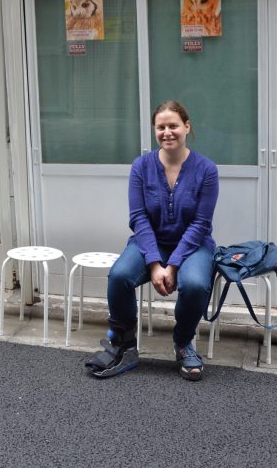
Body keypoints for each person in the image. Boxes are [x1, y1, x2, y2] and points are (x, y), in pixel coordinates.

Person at [85, 100, 218, 380]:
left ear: (187, 127)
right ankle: (123, 346)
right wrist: (156, 263)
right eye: (161, 127)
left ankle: (183, 343)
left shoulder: (206, 170)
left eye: (173, 126)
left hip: (193, 244)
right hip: (150, 242)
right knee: (119, 275)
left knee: (194, 284)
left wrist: (174, 265)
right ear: (154, 130)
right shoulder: (141, 166)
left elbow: (200, 224)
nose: (167, 132)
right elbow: (138, 218)